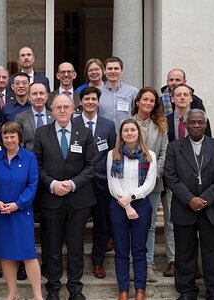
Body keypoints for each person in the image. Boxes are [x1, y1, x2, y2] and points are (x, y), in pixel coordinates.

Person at [164, 109, 214, 300]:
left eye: (199, 122)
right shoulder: (174, 148)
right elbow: (170, 176)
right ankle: (187, 291)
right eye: (192, 122)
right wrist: (189, 199)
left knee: (213, 254)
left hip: (211, 208)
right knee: (184, 253)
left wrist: (205, 199)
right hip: (184, 207)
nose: (196, 125)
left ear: (206, 123)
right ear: (185, 125)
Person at [33, 94, 94, 300]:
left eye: (65, 107)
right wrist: (52, 184)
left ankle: (75, 289)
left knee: (76, 247)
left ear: (73, 109)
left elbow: (91, 165)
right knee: (52, 247)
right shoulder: (41, 133)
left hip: (79, 200)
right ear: (52, 110)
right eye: (58, 107)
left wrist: (72, 183)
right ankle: (53, 288)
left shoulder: (84, 133)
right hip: (51, 199)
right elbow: (37, 166)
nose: (61, 110)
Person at [0, 122, 44, 300]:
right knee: (6, 253)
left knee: (28, 254)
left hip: (21, 212)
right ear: (1, 139)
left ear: (19, 137)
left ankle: (37, 295)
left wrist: (18, 204)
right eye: (6, 136)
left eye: (12, 136)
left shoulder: (29, 158)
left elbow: (32, 185)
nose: (9, 139)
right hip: (0, 212)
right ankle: (12, 293)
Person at [107, 119, 158, 300]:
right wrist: (126, 204)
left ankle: (140, 289)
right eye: (125, 130)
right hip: (118, 204)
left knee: (138, 249)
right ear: (121, 134)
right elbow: (112, 184)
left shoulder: (149, 155)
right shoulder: (112, 154)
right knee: (121, 249)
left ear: (138, 133)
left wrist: (132, 198)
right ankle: (123, 290)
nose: (129, 133)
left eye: (132, 130)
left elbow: (150, 183)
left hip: (141, 205)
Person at [72, 86, 116, 279]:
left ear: (98, 102)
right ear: (80, 102)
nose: (90, 102)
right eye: (86, 99)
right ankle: (76, 262)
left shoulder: (108, 125)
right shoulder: (72, 123)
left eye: (93, 99)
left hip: (102, 183)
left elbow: (113, 151)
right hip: (79, 183)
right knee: (77, 225)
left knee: (101, 225)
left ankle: (98, 262)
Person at [130, 87, 171, 281]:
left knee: (150, 225)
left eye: (151, 101)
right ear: (137, 101)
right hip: (129, 183)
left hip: (153, 183)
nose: (148, 103)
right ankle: (131, 264)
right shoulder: (127, 123)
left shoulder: (161, 125)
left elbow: (164, 153)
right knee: (131, 224)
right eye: (144, 99)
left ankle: (148, 264)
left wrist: (154, 174)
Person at [99, 57, 139, 130]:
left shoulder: (133, 91)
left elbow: (138, 115)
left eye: (116, 68)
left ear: (121, 71)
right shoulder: (98, 92)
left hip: (126, 135)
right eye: (110, 69)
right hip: (104, 136)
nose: (113, 71)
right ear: (104, 71)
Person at [15, 82, 54, 154]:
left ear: (46, 96)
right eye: (35, 94)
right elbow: (19, 143)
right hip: (29, 160)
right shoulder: (20, 118)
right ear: (29, 97)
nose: (38, 97)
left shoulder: (54, 117)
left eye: (41, 93)